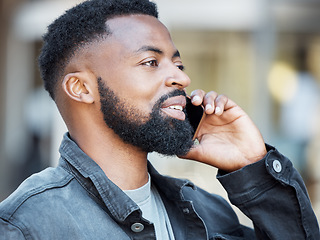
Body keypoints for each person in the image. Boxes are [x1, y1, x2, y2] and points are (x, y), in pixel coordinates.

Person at [0, 0, 319, 239]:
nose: (182, 78)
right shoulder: (27, 224)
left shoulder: (207, 211)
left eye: (177, 65)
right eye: (151, 62)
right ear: (81, 87)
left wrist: (254, 168)